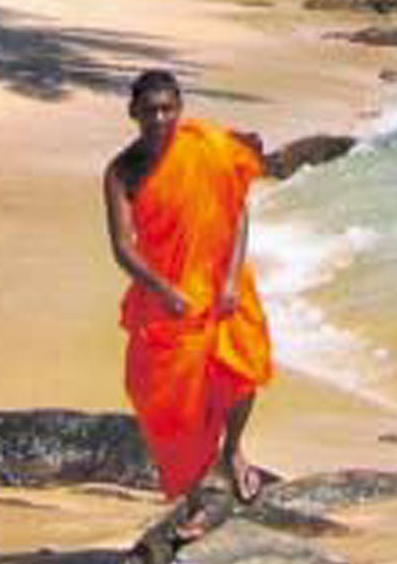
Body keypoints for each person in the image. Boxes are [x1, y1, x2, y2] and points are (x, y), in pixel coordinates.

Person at [104, 67, 273, 529]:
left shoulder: (207, 146)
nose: (160, 118)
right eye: (150, 110)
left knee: (241, 369)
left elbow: (237, 212)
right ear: (133, 112)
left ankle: (234, 449)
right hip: (164, 292)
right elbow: (122, 246)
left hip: (221, 281)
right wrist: (163, 289)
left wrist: (232, 280)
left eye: (168, 108)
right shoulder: (123, 171)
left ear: (180, 107)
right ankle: (196, 490)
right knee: (160, 396)